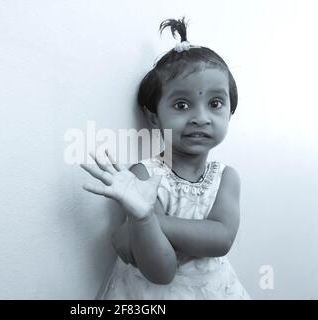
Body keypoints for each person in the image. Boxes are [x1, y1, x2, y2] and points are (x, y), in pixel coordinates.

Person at [80, 17, 250, 299]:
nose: (200, 118)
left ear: (230, 113)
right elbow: (161, 272)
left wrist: (137, 227)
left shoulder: (226, 177)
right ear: (155, 117)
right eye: (182, 105)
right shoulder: (143, 177)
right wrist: (143, 219)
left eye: (215, 104)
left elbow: (221, 238)